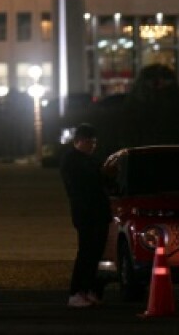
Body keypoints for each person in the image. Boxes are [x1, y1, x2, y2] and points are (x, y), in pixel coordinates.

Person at [60, 123, 110, 309]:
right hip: (87, 213)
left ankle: (87, 290)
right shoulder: (73, 161)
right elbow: (85, 185)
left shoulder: (87, 159)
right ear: (79, 141)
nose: (93, 145)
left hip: (96, 213)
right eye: (90, 142)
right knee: (86, 253)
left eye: (94, 142)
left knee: (94, 254)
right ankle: (76, 292)